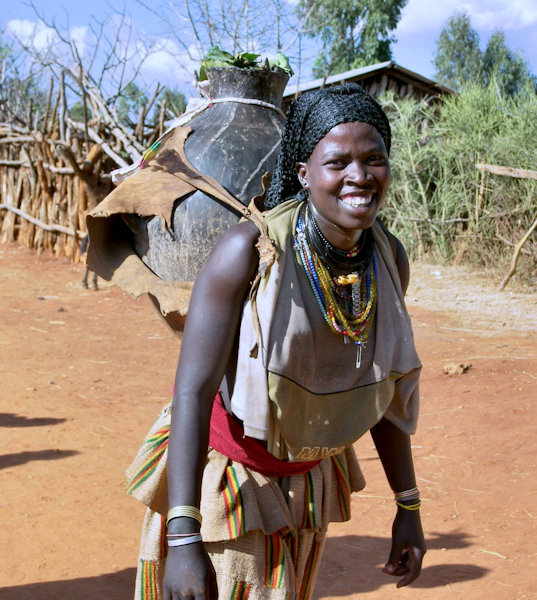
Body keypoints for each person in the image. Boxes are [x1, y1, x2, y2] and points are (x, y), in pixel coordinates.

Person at [129, 83, 425, 600]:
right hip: (230, 485)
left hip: (307, 483)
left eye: (374, 158)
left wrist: (409, 506)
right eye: (338, 162)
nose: (359, 176)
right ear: (304, 172)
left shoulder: (386, 259)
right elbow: (193, 393)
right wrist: (183, 536)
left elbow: (381, 389)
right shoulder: (249, 251)